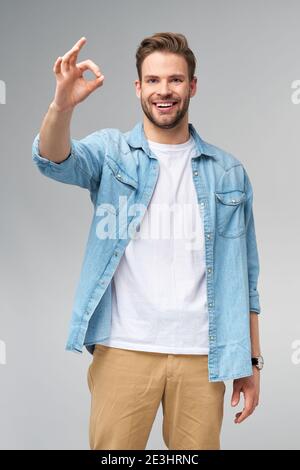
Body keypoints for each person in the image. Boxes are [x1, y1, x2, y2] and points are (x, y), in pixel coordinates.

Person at [32, 32, 263, 450]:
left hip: (202, 356)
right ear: (138, 88)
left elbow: (246, 280)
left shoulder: (228, 173)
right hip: (124, 350)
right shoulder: (111, 153)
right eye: (153, 80)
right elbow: (53, 159)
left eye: (175, 80)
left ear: (192, 86)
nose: (164, 91)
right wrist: (60, 107)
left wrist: (249, 362)